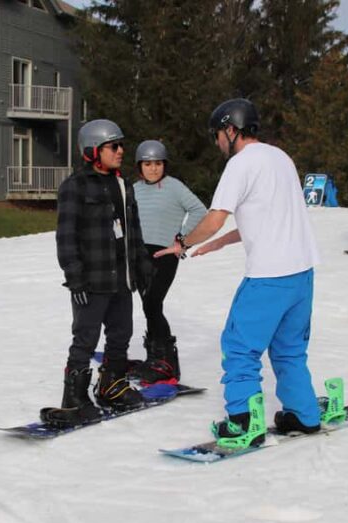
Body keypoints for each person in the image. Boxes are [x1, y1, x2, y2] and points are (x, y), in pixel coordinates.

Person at [155, 98, 321, 449]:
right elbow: (268, 218)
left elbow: (215, 217)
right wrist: (221, 243)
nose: (217, 142)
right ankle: (303, 414)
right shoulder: (280, 158)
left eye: (217, 134)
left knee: (239, 347)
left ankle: (244, 422)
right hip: (302, 275)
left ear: (231, 129)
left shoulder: (241, 164)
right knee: (289, 350)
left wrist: (182, 242)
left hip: (269, 277)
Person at [40, 119, 153, 428]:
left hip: (121, 278)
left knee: (121, 334)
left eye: (121, 145)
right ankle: (74, 398)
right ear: (93, 151)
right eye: (113, 146)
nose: (120, 151)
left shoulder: (123, 184)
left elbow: (134, 231)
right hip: (92, 280)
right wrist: (74, 276)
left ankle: (111, 385)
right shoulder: (74, 187)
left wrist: (142, 266)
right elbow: (66, 236)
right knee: (85, 338)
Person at [131, 140, 206, 385]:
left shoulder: (174, 187)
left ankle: (168, 361)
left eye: (158, 163)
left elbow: (199, 210)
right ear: (139, 166)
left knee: (153, 303)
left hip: (165, 255)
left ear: (165, 165)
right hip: (140, 256)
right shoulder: (133, 190)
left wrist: (182, 240)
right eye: (148, 164)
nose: (153, 168)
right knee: (148, 307)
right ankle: (155, 359)